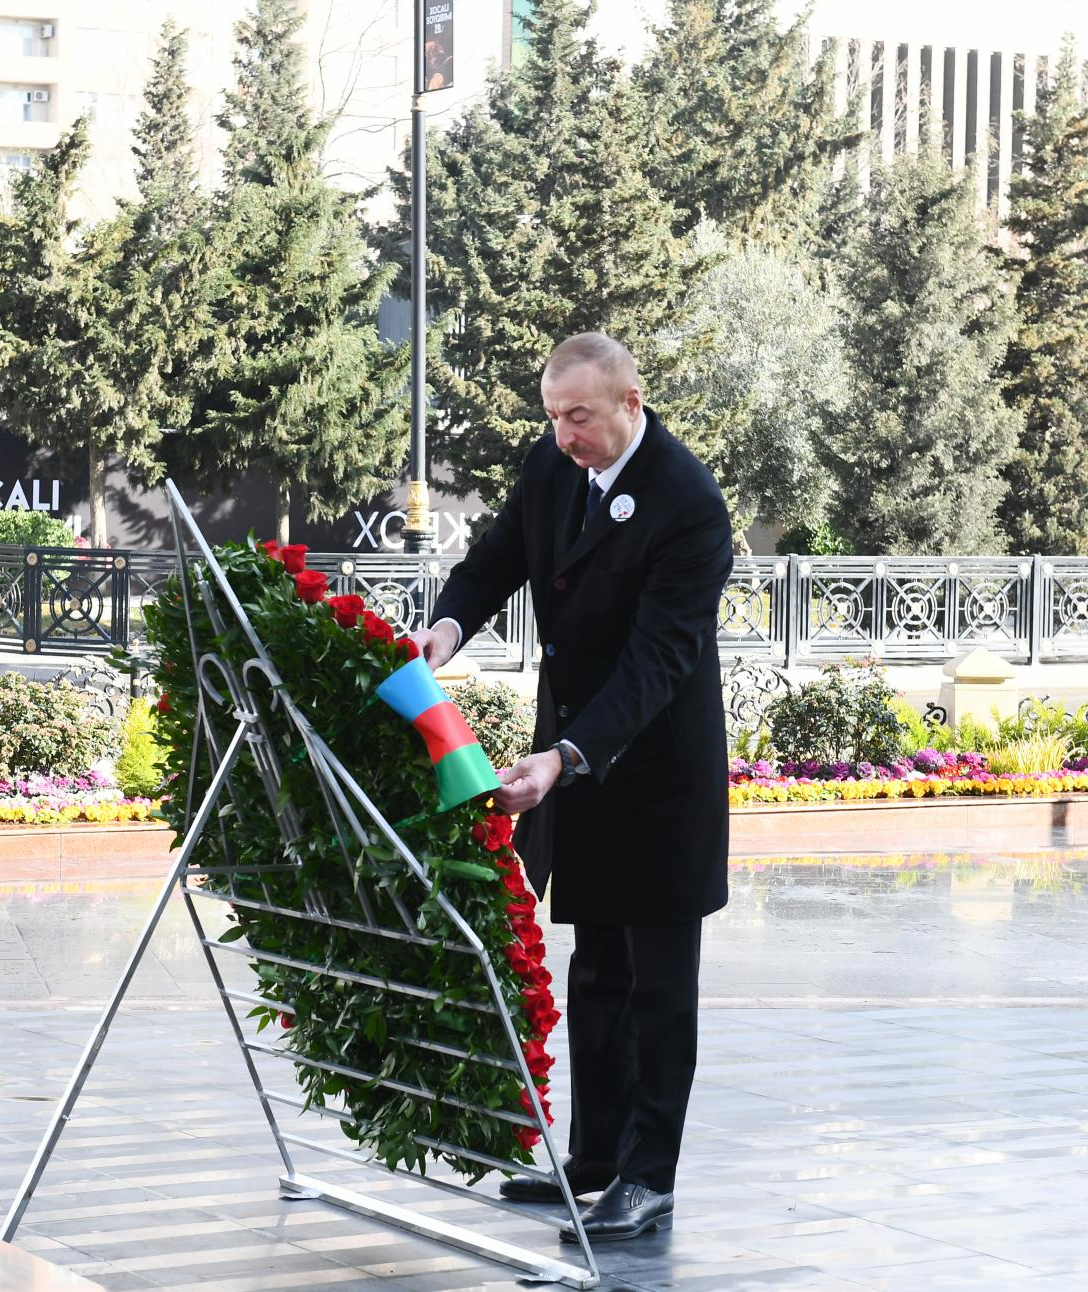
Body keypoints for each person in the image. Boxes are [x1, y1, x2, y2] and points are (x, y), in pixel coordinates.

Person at [411, 332, 732, 1243]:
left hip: (655, 773)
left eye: (578, 416)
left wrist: (565, 754)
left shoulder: (689, 503)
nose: (562, 436)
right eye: (553, 416)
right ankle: (592, 1161)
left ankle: (649, 1177)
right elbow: (497, 556)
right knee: (596, 973)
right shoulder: (553, 466)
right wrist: (447, 628)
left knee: (659, 988)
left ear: (631, 402)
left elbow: (657, 662)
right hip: (576, 764)